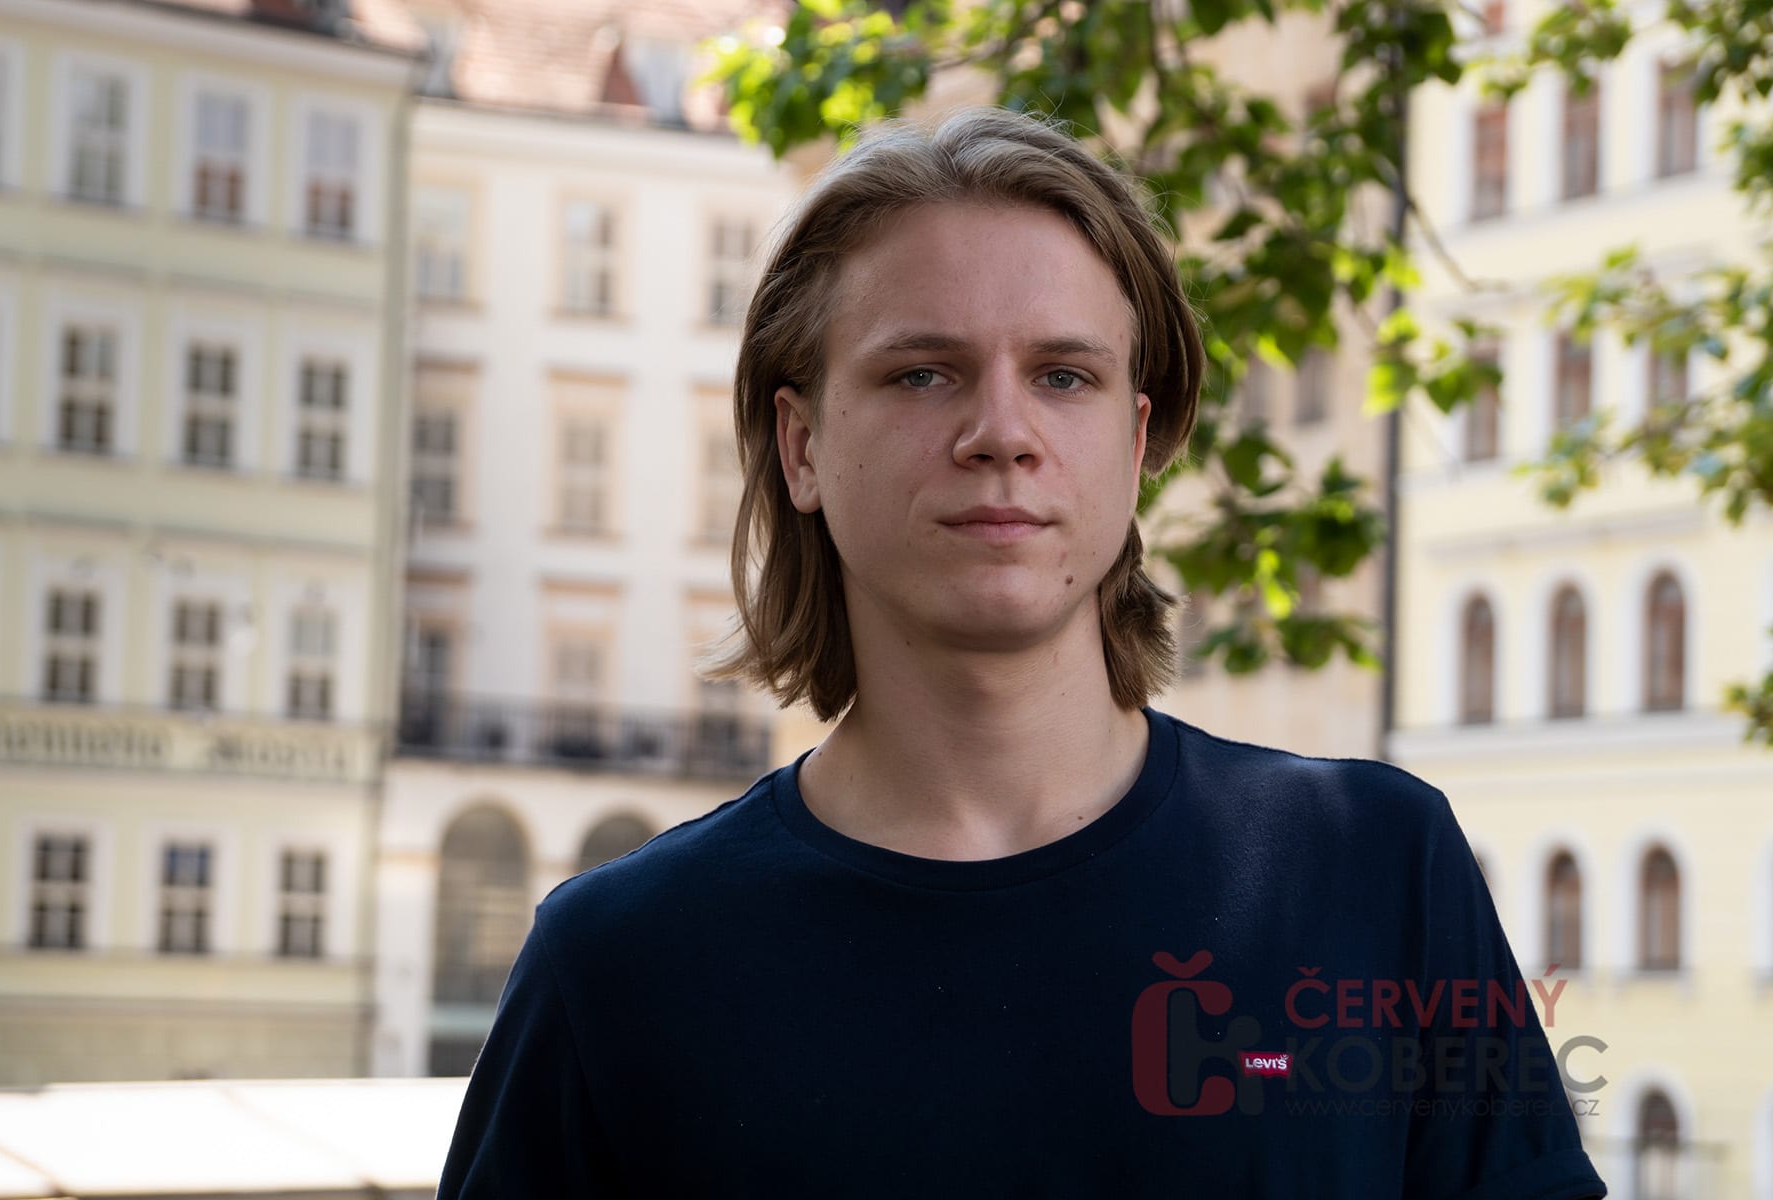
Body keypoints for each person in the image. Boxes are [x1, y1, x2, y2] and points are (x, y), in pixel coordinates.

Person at [436, 107, 1606, 1198]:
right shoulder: (619, 964)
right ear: (800, 446)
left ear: (1135, 442)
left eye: (1063, 376)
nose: (1001, 432)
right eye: (921, 373)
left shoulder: (1373, 869)